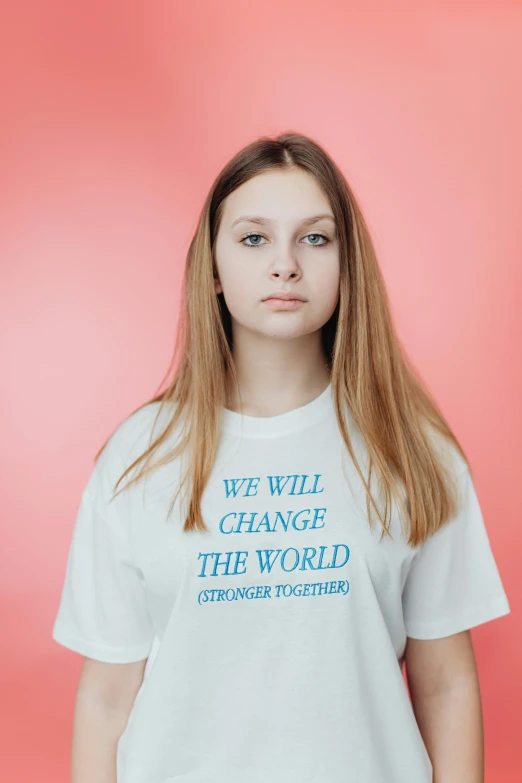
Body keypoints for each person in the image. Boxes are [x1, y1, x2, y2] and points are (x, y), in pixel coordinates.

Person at [52, 132, 511, 783]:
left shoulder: (411, 451)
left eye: (315, 238)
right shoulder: (140, 457)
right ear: (211, 266)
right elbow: (103, 697)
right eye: (253, 237)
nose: (286, 264)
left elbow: (446, 687)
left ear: (347, 263)